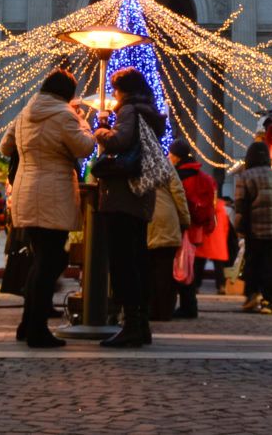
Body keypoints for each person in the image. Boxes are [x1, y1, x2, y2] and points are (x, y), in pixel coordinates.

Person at [0, 69, 94, 348]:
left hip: (27, 191)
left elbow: (6, 147)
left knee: (40, 261)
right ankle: (38, 329)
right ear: (67, 93)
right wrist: (84, 123)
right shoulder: (65, 115)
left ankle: (27, 323)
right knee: (51, 262)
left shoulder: (25, 113)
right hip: (53, 193)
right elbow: (85, 147)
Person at [93, 67, 167, 347]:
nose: (113, 94)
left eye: (114, 89)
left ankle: (131, 325)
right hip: (140, 196)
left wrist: (101, 129)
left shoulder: (128, 110)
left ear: (123, 89)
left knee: (123, 262)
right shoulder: (148, 110)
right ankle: (141, 323)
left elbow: (120, 141)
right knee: (137, 260)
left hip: (123, 196)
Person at [231, 141, 272, 314]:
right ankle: (268, 301)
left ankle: (252, 295)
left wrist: (240, 227)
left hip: (254, 229)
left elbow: (240, 204)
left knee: (253, 262)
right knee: (271, 265)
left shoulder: (245, 177)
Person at [148, 141, 192, 322]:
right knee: (165, 271)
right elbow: (178, 193)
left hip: (145, 218)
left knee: (147, 270)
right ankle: (164, 311)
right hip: (166, 220)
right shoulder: (165, 164)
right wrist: (184, 220)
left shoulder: (136, 162)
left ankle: (149, 309)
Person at [174, 142, 219, 317]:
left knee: (181, 267)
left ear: (177, 156)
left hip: (183, 227)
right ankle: (189, 305)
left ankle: (187, 307)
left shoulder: (180, 176)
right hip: (197, 228)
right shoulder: (203, 176)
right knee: (189, 267)